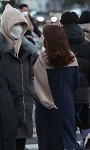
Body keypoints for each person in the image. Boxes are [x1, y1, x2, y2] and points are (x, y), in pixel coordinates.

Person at [0, 4, 38, 150]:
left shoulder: (28, 50)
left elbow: (31, 75)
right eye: (15, 24)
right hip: (3, 110)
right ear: (6, 24)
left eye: (22, 25)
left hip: (24, 106)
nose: (19, 28)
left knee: (21, 143)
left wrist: (30, 91)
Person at [33, 24, 79, 150]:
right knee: (68, 142)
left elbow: (33, 87)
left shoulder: (39, 61)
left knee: (47, 143)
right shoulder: (71, 58)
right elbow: (76, 83)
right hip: (66, 106)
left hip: (45, 109)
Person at [60, 11, 90, 149]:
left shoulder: (58, 42)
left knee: (67, 128)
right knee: (85, 124)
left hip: (63, 92)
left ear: (62, 23)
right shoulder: (86, 43)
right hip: (84, 93)